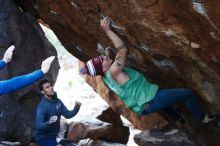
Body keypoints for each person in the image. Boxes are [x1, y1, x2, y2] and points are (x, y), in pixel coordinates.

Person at [80, 17, 217, 125]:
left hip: (143, 105)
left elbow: (111, 66)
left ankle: (177, 118)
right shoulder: (114, 70)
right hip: (151, 100)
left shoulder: (106, 77)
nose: (104, 56)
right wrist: (107, 30)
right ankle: (202, 119)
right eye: (102, 59)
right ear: (103, 68)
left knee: (159, 96)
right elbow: (123, 50)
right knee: (188, 94)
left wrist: (107, 56)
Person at [35, 79, 81, 146]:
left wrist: (76, 107)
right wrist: (49, 122)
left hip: (54, 136)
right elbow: (38, 125)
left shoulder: (58, 102)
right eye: (47, 87)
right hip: (43, 137)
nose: (51, 87)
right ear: (42, 91)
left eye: (50, 85)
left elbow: (68, 115)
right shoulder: (42, 106)